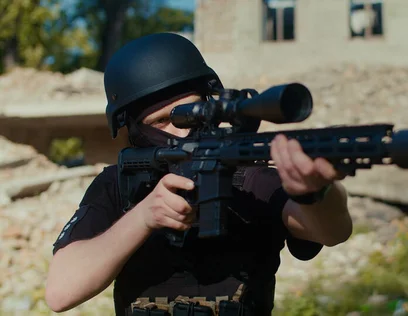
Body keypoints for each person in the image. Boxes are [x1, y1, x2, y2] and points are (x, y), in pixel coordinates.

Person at [44, 33, 353, 316]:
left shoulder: (251, 179)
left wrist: (316, 191)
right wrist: (143, 217)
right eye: (162, 120)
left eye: (191, 111)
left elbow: (333, 232)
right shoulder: (115, 186)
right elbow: (60, 293)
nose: (182, 128)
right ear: (133, 130)